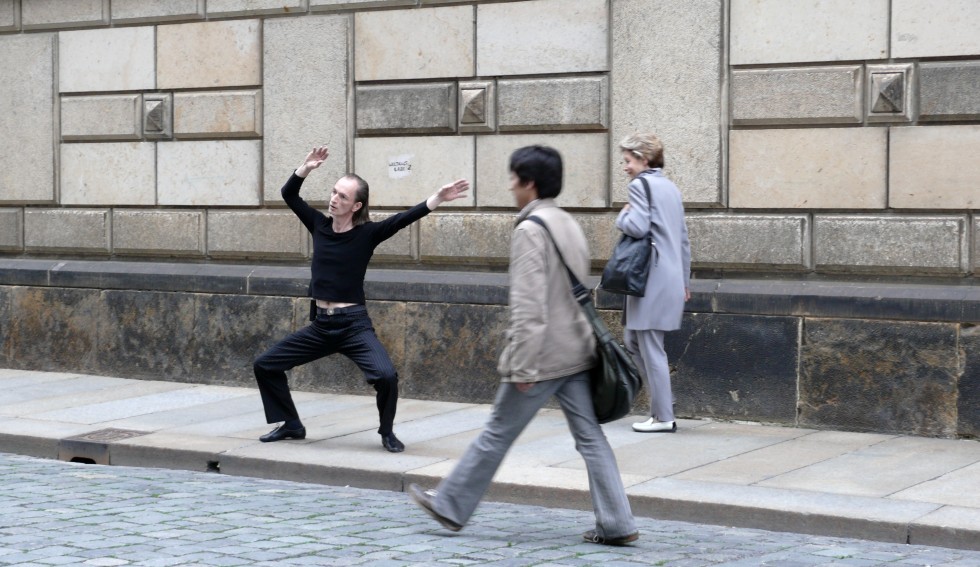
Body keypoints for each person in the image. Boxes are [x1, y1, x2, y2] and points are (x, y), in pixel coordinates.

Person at [408, 145, 638, 546]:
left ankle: (450, 505)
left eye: (514, 178)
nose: (511, 185)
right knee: (590, 438)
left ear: (529, 183)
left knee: (497, 431)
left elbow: (529, 305)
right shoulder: (566, 222)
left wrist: (525, 366)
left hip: (543, 356)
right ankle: (617, 522)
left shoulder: (531, 229)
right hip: (578, 352)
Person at [253, 146, 469, 452]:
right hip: (321, 327)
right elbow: (289, 195)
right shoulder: (319, 225)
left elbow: (404, 218)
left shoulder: (368, 234)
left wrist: (437, 198)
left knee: (386, 376)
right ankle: (291, 424)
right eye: (333, 192)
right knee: (265, 365)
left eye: (342, 196)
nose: (334, 199)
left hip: (353, 325)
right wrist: (305, 169)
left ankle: (387, 432)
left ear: (356, 206)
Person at [616, 133, 691, 433]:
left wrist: (621, 217)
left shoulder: (640, 186)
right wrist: (685, 280)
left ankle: (663, 417)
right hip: (669, 276)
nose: (625, 167)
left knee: (649, 345)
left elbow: (637, 226)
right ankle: (660, 409)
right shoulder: (670, 187)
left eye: (628, 161)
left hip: (651, 277)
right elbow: (683, 239)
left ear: (644, 160)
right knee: (635, 340)